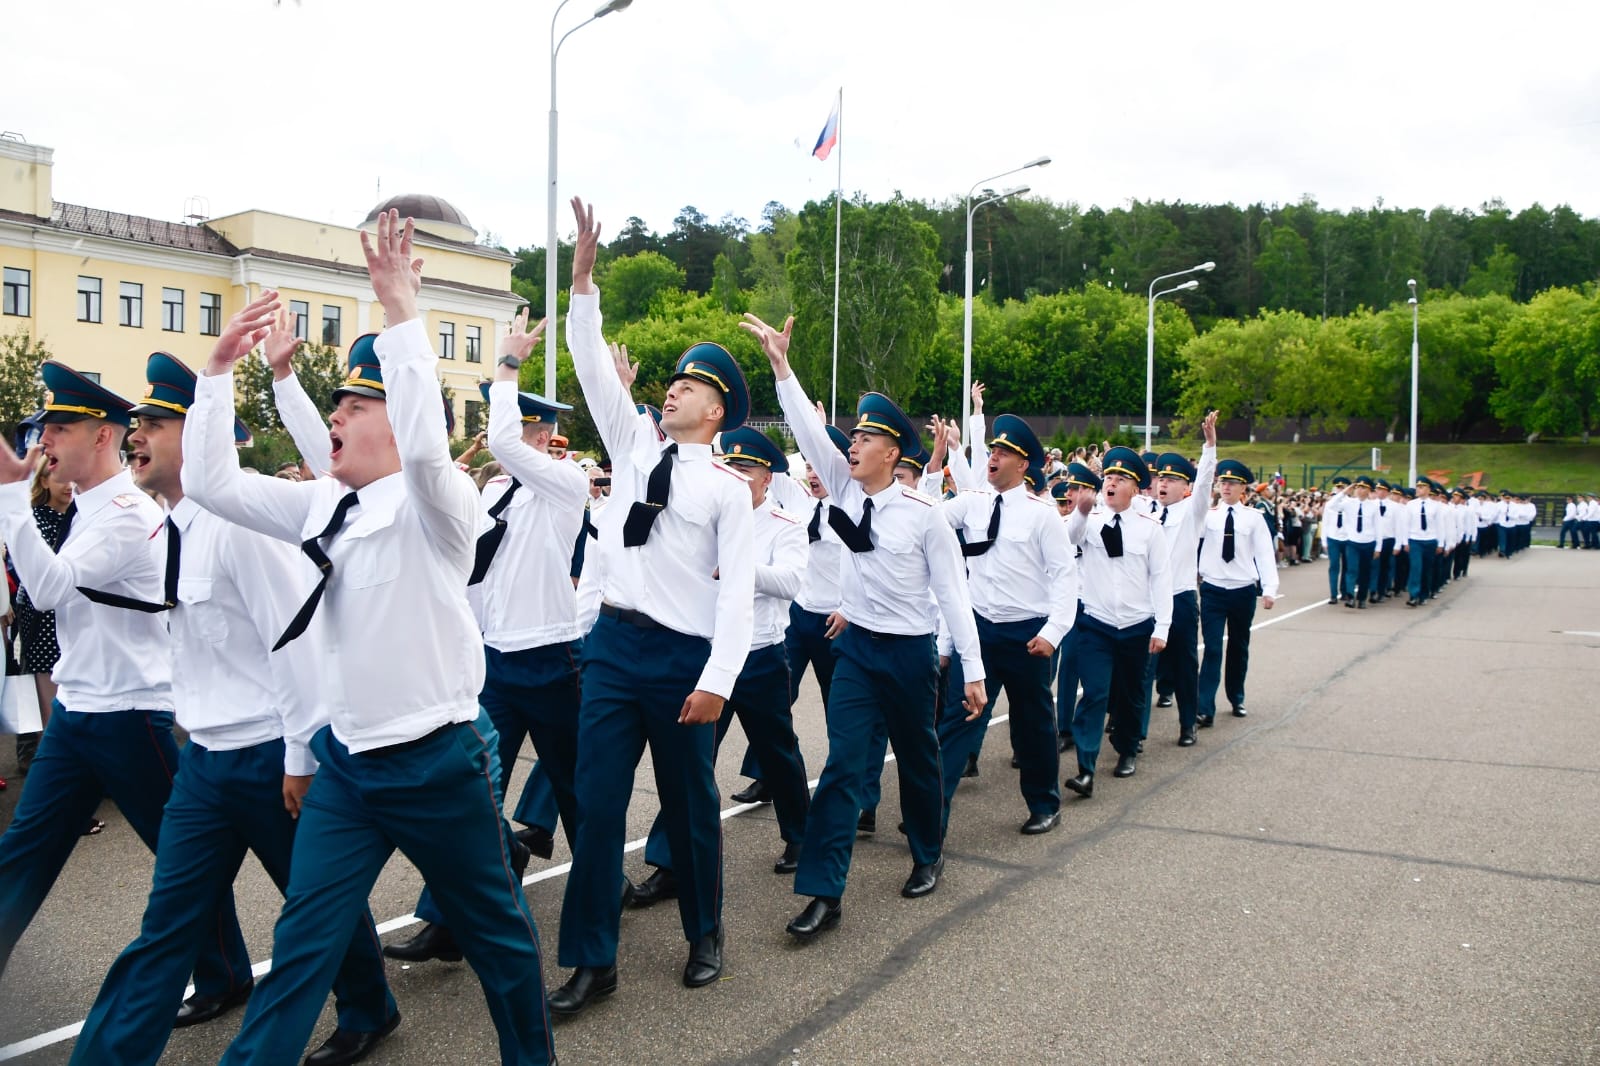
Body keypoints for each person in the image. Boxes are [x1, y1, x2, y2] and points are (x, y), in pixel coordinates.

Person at [187, 213, 556, 1066]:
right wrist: (218, 374)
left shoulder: (441, 507)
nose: (336, 418)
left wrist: (400, 316)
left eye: (353, 404)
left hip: (439, 763)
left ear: (391, 422)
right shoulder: (324, 503)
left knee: (499, 944)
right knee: (302, 946)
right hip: (350, 766)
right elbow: (210, 482)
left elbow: (427, 450)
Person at [71, 351, 399, 1066]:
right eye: (137, 422)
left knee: (312, 908)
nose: (136, 433)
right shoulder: (171, 525)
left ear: (202, 435)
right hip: (204, 762)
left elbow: (298, 641)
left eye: (154, 422)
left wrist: (300, 757)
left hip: (269, 754)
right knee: (166, 928)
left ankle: (370, 1007)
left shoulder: (243, 523)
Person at [550, 198, 754, 1014]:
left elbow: (736, 593)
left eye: (688, 387)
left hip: (680, 661)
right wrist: (584, 283)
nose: (670, 391)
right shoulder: (633, 446)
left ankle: (705, 933)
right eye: (670, 383)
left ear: (716, 412)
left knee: (691, 806)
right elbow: (592, 366)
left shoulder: (729, 491)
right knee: (596, 809)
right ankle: (592, 959)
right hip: (613, 649)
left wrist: (720, 679)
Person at [0, 361, 252, 1018]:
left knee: (182, 856)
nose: (44, 440)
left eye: (58, 427)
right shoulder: (87, 510)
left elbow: (46, 591)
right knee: (20, 858)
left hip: (133, 715)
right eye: (44, 426)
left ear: (103, 436)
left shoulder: (125, 513)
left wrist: (7, 500)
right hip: (81, 712)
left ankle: (224, 973)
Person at [741, 309, 985, 941]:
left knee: (919, 758)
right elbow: (802, 426)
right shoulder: (845, 494)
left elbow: (954, 597)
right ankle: (825, 893)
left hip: (910, 655)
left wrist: (972, 672)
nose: (851, 446)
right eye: (851, 439)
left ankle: (928, 853)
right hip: (856, 651)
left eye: (865, 440)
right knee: (847, 765)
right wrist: (781, 365)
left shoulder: (924, 515)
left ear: (893, 452)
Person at [385, 310, 589, 967]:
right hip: (492, 663)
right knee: (468, 796)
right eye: (517, 426)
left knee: (574, 789)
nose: (514, 438)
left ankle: (597, 887)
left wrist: (508, 368)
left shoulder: (565, 486)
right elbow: (471, 578)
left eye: (529, 427)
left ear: (544, 435)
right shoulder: (495, 492)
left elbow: (501, 440)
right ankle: (444, 918)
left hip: (552, 660)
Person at [633, 426, 811, 894]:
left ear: (767, 479)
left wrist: (738, 567)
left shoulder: (787, 525)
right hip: (708, 656)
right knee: (691, 761)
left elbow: (792, 582)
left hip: (761, 656)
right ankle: (668, 862)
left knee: (778, 753)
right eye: (730, 465)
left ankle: (800, 837)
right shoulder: (707, 512)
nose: (737, 475)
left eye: (747, 469)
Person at [936, 413, 1076, 836]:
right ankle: (929, 811)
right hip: (978, 630)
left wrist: (1052, 634)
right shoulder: (974, 501)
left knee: (1032, 725)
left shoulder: (1042, 514)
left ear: (1023, 464)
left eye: (1002, 453)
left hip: (1027, 634)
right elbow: (928, 519)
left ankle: (1043, 804)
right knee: (956, 720)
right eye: (992, 450)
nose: (992, 457)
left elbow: (1066, 578)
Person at [1063, 447, 1169, 795]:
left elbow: (1160, 579)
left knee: (1130, 694)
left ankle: (1126, 749)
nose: (1111, 483)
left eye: (1120, 479)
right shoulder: (1089, 521)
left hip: (1137, 625)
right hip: (1097, 623)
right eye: (1108, 477)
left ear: (1135, 489)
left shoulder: (1150, 530)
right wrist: (1079, 512)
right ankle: (1086, 767)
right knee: (1094, 693)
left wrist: (1162, 626)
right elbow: (1066, 541)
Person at [1148, 411, 1218, 747]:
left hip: (1180, 597)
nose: (1163, 483)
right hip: (1146, 600)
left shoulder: (1192, 512)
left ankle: (1188, 723)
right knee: (1142, 669)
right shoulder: (1146, 511)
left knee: (1185, 664)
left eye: (1172, 479)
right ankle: (1134, 733)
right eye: (1161, 478)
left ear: (1185, 487)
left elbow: (1205, 484)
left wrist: (1209, 448)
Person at [1196, 459, 1279, 726]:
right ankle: (1204, 706)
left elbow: (1265, 554)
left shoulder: (1254, 518)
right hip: (1213, 589)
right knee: (1211, 648)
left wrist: (1269, 589)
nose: (1226, 487)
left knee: (1238, 647)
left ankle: (1236, 696)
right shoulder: (1207, 516)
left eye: (1232, 483)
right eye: (1223, 482)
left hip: (1242, 590)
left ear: (1243, 487)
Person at [1401, 478, 1443, 607]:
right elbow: (1405, 524)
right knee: (1416, 567)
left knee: (1426, 569)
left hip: (1430, 540)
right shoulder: (1411, 505)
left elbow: (1440, 526)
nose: (1419, 489)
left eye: (1422, 487)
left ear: (1429, 489)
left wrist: (1440, 543)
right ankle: (1413, 595)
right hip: (1415, 540)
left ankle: (1424, 594)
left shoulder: (1436, 506)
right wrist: (1405, 541)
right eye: (1418, 487)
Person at [1341, 477, 1380, 608]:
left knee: (1365, 571)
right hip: (1353, 542)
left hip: (1368, 542)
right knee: (1351, 569)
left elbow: (1378, 527)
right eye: (1357, 487)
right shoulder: (1349, 503)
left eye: (1363, 488)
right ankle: (1350, 596)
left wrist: (1378, 547)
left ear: (1369, 490)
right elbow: (1332, 506)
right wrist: (1344, 492)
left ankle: (1362, 598)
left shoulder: (1374, 506)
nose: (1359, 490)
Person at [1322, 475, 1351, 604]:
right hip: (1333, 537)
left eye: (1342, 487)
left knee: (1347, 566)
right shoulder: (1331, 503)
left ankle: (1344, 591)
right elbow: (1325, 522)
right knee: (1334, 566)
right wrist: (1324, 541)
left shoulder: (1351, 502)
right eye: (1338, 487)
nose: (1340, 489)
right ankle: (1333, 594)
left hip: (1347, 538)